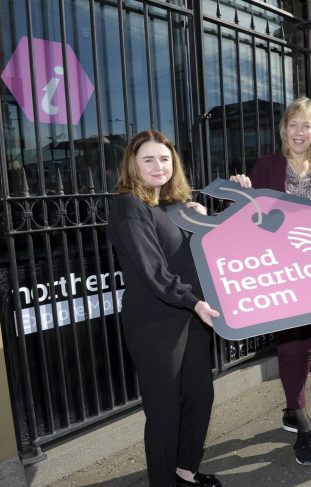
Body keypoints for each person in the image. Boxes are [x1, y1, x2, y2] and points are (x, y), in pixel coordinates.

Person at [107, 130, 222, 487]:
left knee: (200, 397)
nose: (158, 166)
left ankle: (185, 469)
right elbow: (154, 271)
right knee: (164, 412)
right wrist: (195, 301)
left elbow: (190, 258)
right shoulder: (129, 206)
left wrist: (199, 220)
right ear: (133, 165)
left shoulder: (168, 208)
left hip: (190, 318)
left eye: (165, 159)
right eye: (148, 159)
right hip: (156, 324)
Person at [230, 97, 311, 465]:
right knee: (287, 343)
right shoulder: (265, 166)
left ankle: (293, 410)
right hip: (276, 272)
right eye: (293, 124)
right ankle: (301, 419)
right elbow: (248, 217)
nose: (299, 132)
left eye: (306, 125)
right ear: (283, 130)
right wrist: (242, 192)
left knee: (305, 345)